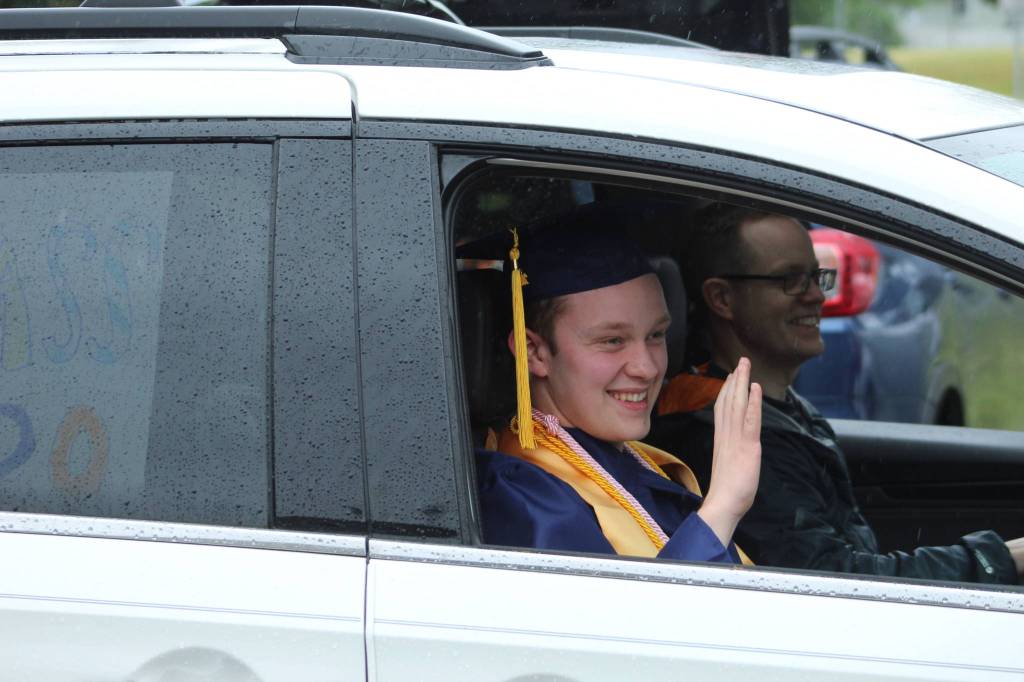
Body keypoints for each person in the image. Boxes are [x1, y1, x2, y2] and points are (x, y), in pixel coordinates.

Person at [651, 203, 1024, 584]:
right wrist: (1002, 558)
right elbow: (837, 580)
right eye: (791, 280)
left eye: (816, 276)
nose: (816, 295)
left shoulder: (778, 411)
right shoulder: (722, 437)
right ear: (722, 299)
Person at [469, 205, 762, 564]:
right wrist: (723, 506)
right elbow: (633, 606)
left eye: (656, 334)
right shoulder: (524, 497)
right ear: (535, 352)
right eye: (612, 341)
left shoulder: (630, 460)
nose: (647, 368)